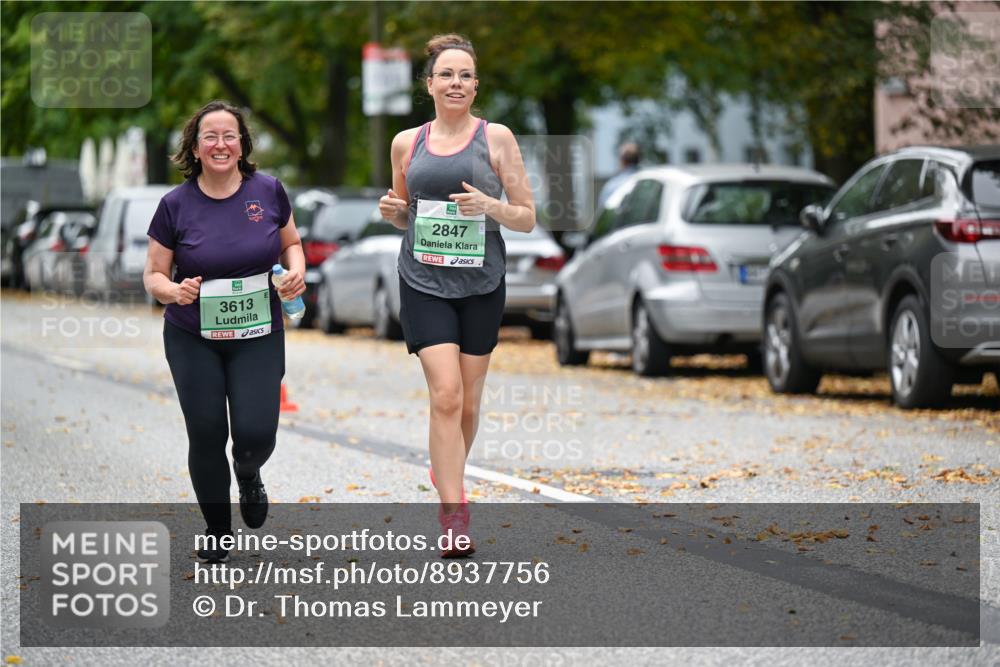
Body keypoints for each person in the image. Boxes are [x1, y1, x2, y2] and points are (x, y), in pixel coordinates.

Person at [379, 34, 536, 557]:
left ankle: (445, 466)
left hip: (481, 283)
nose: (456, 83)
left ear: (475, 86)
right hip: (423, 280)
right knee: (445, 395)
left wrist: (489, 206)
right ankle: (454, 513)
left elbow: (527, 217)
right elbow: (406, 210)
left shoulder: (498, 139)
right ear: (429, 84)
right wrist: (393, 211)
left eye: (465, 75)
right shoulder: (407, 143)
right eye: (446, 74)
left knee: (467, 404)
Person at [143, 100, 305, 563]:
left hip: (257, 331)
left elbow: (291, 244)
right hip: (193, 335)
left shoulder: (269, 191)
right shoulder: (174, 205)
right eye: (210, 137)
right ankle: (217, 529)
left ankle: (248, 472)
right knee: (207, 431)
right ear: (194, 148)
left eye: (229, 136)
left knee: (256, 432)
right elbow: (154, 275)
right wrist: (173, 292)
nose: (220, 144)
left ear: (242, 144)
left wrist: (297, 272)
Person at [596, 141, 641, 211]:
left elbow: (603, 211)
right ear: (638, 160)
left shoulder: (612, 186)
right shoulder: (647, 183)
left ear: (622, 161)